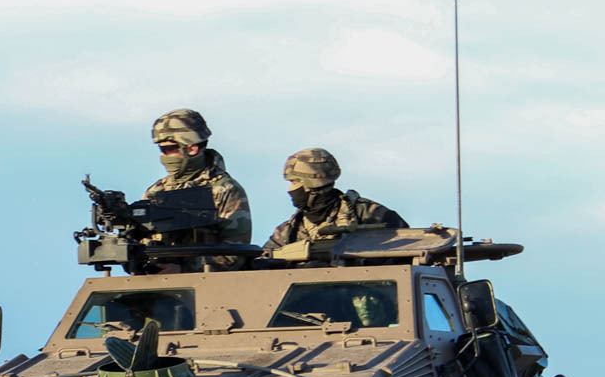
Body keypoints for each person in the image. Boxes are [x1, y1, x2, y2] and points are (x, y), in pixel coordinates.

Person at [142, 108, 252, 271]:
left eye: (168, 149)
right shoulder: (156, 191)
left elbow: (234, 254)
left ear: (192, 148)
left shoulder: (224, 190)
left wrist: (184, 270)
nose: (163, 156)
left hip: (206, 287)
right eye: (161, 150)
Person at [262, 148, 407, 253]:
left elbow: (410, 252)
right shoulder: (290, 229)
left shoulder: (370, 215)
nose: (289, 190)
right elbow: (263, 259)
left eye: (294, 182)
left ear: (311, 184)